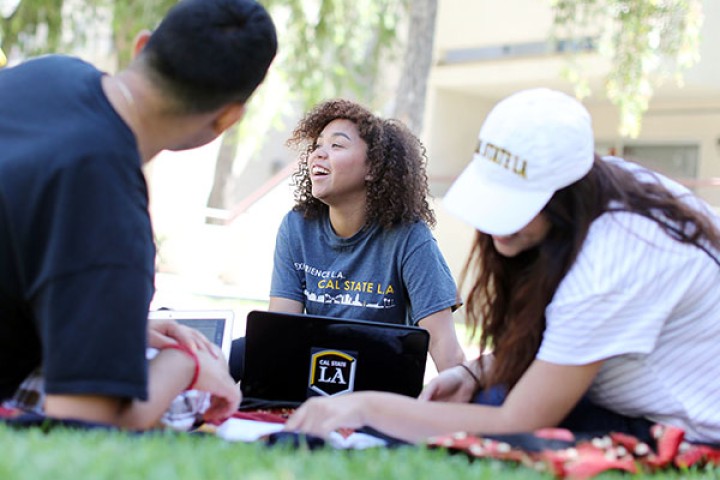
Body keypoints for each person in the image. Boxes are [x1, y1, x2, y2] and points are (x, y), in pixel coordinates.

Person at [283, 88, 720, 446]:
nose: (497, 227)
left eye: (517, 205)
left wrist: (364, 407)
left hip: (681, 429)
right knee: (473, 398)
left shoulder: (616, 257)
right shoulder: (602, 193)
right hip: (615, 398)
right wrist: (477, 369)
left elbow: (521, 420)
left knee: (462, 425)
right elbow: (549, 342)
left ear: (567, 194)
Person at [0, 0, 277, 429]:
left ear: (142, 45)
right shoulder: (110, 216)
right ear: (227, 118)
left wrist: (114, 323)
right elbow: (85, 426)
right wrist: (185, 365)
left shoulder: (45, 72)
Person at [230, 99, 465, 380]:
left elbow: (444, 346)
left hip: (376, 382)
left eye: (336, 145)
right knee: (234, 352)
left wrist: (463, 414)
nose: (319, 154)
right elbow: (281, 331)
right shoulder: (296, 227)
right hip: (312, 372)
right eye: (317, 146)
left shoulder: (410, 238)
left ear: (373, 169)